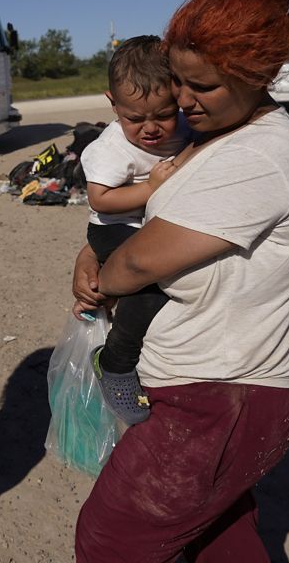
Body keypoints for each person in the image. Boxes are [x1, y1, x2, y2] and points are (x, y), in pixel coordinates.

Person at [71, 0, 289, 562]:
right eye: (179, 82)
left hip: (218, 399)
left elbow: (138, 260)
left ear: (258, 76)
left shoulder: (258, 156)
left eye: (202, 86)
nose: (183, 101)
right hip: (210, 394)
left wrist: (102, 279)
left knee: (111, 543)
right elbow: (139, 223)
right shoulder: (217, 133)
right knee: (220, 540)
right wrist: (91, 249)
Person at [80, 35, 189, 425]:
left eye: (162, 114)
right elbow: (100, 199)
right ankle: (116, 362)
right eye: (134, 118)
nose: (150, 129)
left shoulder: (186, 128)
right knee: (152, 288)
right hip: (113, 228)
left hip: (146, 225)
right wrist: (149, 189)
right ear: (113, 104)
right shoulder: (111, 148)